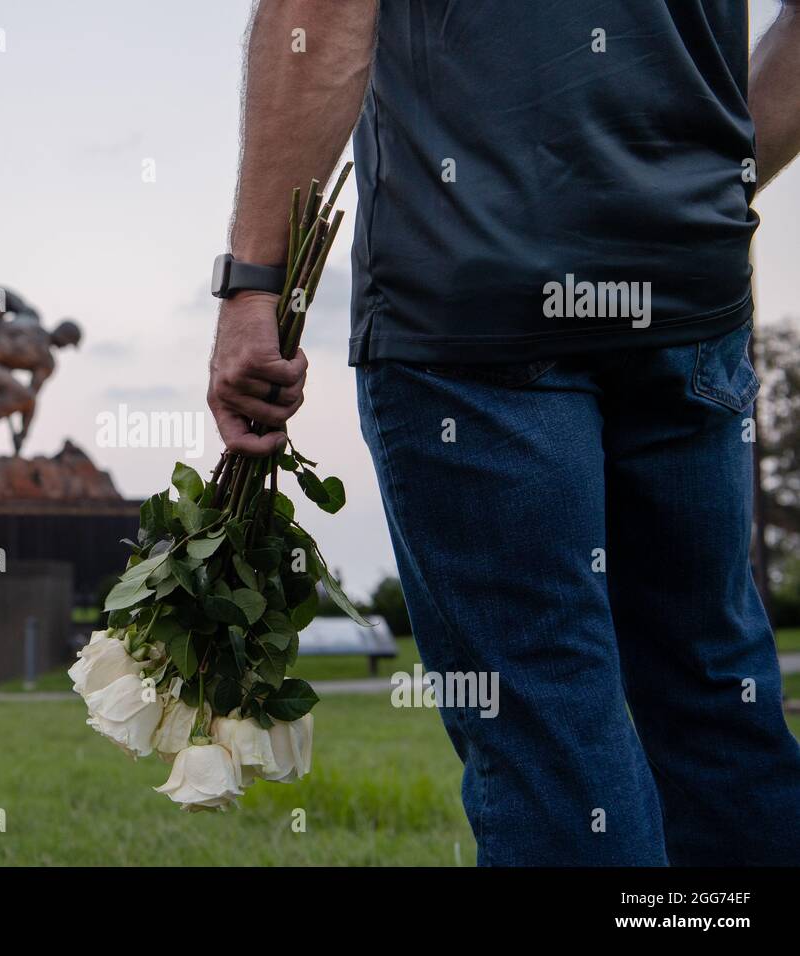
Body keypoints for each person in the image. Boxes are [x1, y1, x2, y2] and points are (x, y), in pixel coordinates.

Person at [206, 0, 800, 865]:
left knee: (544, 722)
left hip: (470, 299)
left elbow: (322, 13)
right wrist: (700, 184)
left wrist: (255, 279)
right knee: (713, 691)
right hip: (686, 294)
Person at [0, 319, 82, 454]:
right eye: (69, 344)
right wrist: (23, 433)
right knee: (22, 396)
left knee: (20, 393)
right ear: (66, 339)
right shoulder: (46, 360)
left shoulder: (31, 321)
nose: (66, 347)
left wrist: (23, 433)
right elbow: (30, 399)